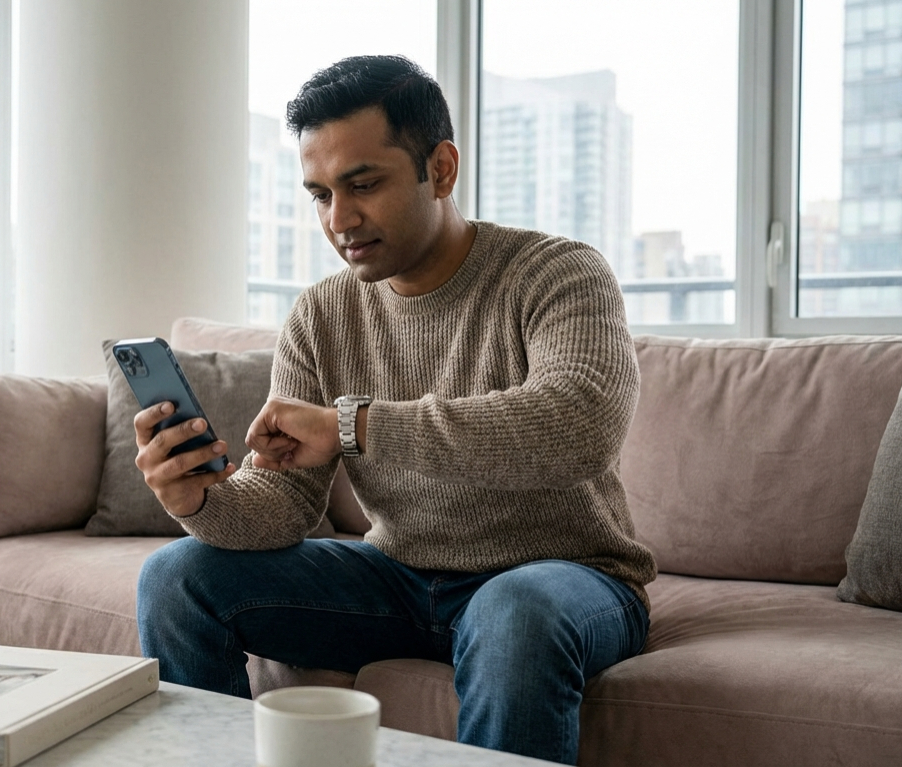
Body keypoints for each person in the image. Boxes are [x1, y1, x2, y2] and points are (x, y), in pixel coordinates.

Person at [132, 54, 655, 765]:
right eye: (319, 194)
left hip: (565, 577)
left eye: (363, 184)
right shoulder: (321, 314)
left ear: (440, 169)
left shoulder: (557, 272)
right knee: (175, 575)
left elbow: (577, 423)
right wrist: (201, 498)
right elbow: (285, 504)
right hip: (399, 580)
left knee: (515, 610)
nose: (339, 219)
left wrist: (354, 426)